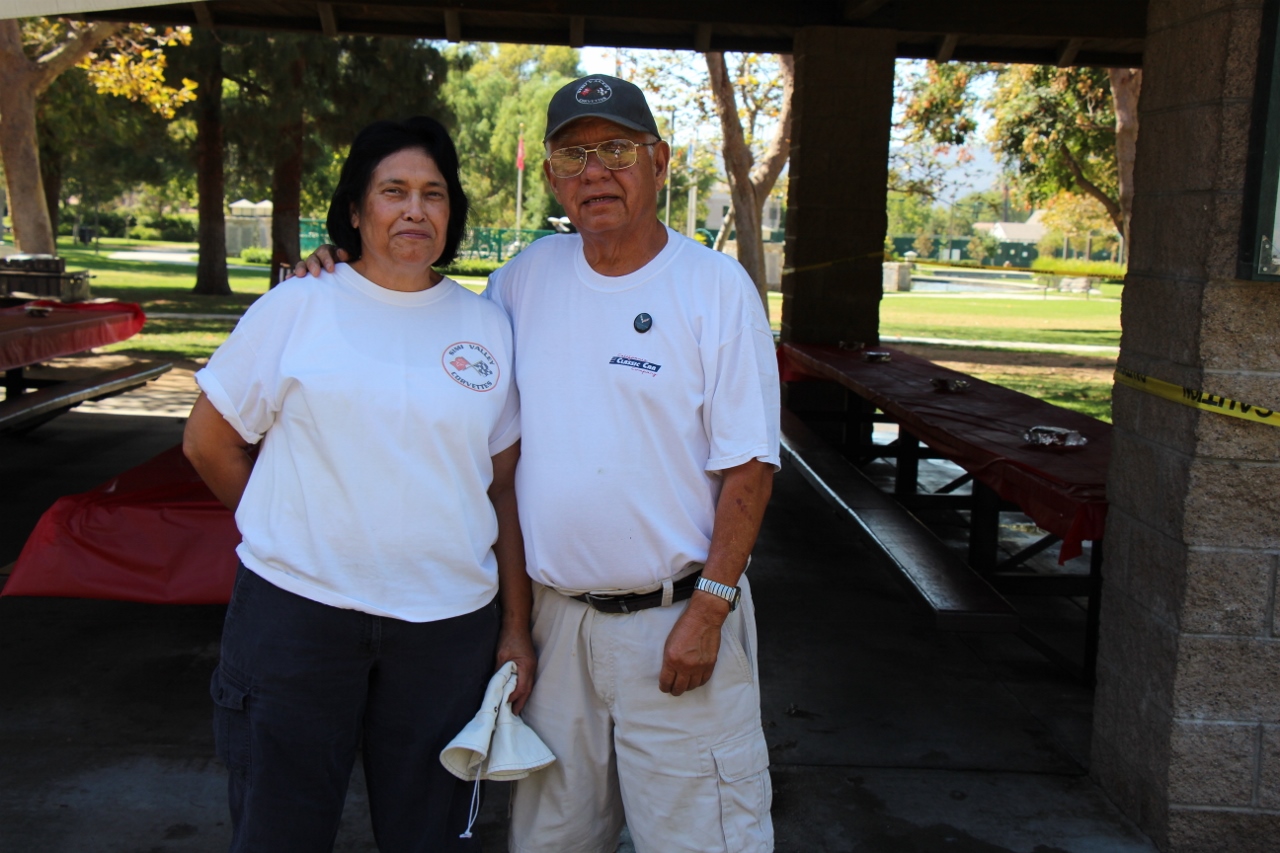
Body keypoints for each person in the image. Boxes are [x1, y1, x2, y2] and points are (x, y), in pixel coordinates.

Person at [301, 75, 779, 853]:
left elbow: (751, 468)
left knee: (703, 838)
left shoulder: (713, 289)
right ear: (554, 173)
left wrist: (709, 610)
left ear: (658, 160)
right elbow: (433, 334)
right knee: (551, 840)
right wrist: (345, 269)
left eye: (617, 149)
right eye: (573, 154)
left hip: (679, 621)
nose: (596, 171)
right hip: (558, 632)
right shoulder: (525, 279)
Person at [185, 116, 534, 852]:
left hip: (444, 634)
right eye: (394, 191)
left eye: (434, 194)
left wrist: (514, 626)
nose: (415, 210)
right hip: (298, 623)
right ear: (355, 209)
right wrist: (292, 531)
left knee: (429, 836)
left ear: (452, 212)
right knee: (280, 832)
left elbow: (502, 491)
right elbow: (208, 441)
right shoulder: (300, 305)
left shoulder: (488, 326)